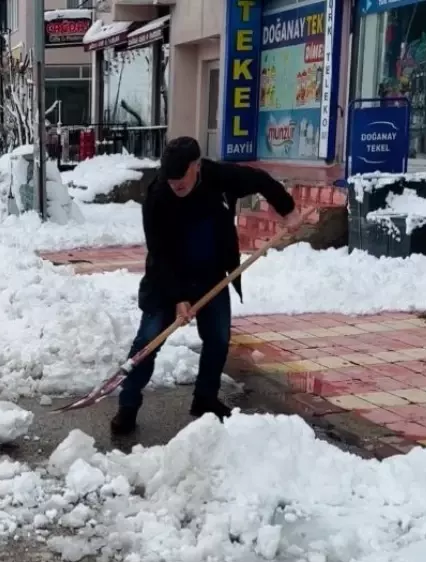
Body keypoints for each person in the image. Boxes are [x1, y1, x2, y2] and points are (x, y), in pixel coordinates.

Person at [110, 136, 300, 435]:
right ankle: (128, 406)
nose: (176, 185)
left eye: (181, 179)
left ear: (196, 166)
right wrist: (178, 297)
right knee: (148, 344)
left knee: (218, 338)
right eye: (170, 180)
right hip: (167, 280)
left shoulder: (217, 177)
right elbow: (159, 254)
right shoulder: (158, 196)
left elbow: (260, 180)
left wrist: (287, 209)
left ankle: (205, 399)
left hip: (211, 276)